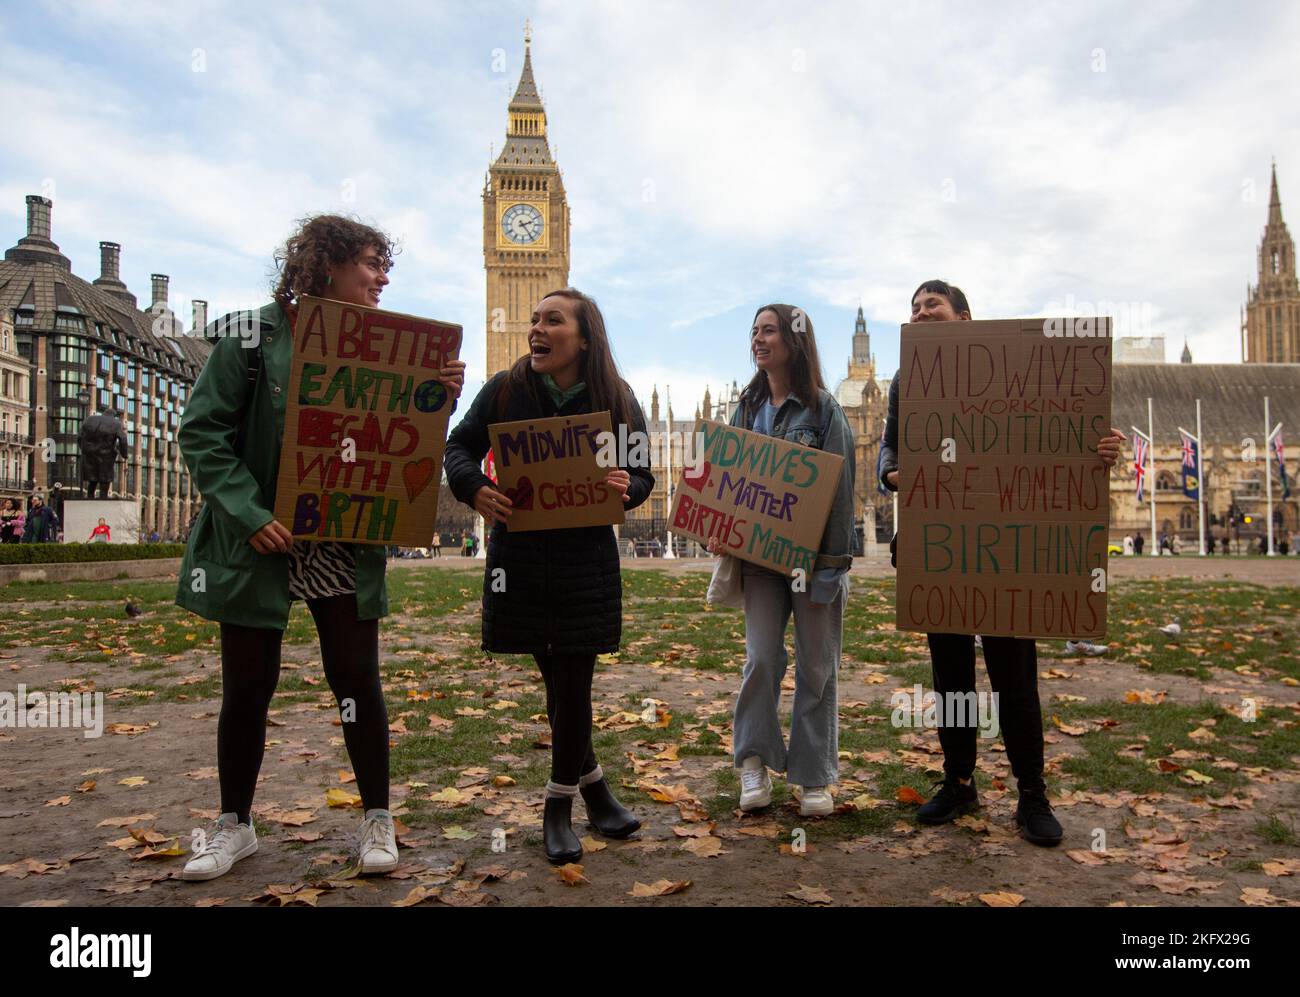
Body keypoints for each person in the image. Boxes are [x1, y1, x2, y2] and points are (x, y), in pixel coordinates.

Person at [174, 214, 465, 881]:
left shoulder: (385, 347)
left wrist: (435, 404)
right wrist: (249, 513)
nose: (383, 277)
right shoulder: (251, 334)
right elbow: (202, 433)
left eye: (384, 266)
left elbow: (399, 448)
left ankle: (377, 819)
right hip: (261, 539)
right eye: (371, 262)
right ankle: (234, 825)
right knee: (248, 685)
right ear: (325, 264)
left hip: (343, 535)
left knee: (356, 680)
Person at [879, 280, 1125, 846]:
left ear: (965, 319)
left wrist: (1103, 449)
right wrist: (891, 474)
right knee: (952, 680)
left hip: (1006, 550)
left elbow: (1065, 435)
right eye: (913, 308)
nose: (919, 314)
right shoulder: (905, 381)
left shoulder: (1022, 368)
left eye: (931, 306)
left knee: (1016, 676)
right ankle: (960, 780)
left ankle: (1032, 794)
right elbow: (890, 448)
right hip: (940, 546)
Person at [444, 287, 653, 864]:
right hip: (522, 563)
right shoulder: (506, 389)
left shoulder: (617, 398)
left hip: (585, 564)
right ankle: (599, 793)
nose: (536, 328)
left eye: (552, 320)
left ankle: (558, 805)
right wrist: (476, 489)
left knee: (572, 683)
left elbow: (642, 475)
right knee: (557, 684)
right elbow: (458, 447)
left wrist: (625, 487)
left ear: (584, 338)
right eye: (533, 319)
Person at [705, 303, 855, 819]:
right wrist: (716, 526)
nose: (757, 339)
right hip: (761, 562)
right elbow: (727, 484)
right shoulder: (744, 411)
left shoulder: (824, 411)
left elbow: (839, 494)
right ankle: (753, 760)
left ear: (794, 341)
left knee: (817, 668)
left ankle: (813, 776)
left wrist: (833, 567)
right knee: (761, 660)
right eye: (753, 331)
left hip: (814, 562)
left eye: (768, 330)